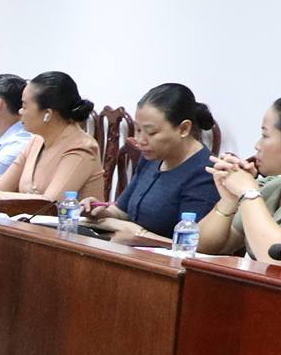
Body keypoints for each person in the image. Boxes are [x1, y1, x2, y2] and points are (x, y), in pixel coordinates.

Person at [88, 84, 220, 244]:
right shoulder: (152, 157)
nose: (140, 140)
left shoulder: (205, 172)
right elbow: (121, 211)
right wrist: (98, 213)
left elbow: (191, 245)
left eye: (151, 132)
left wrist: (140, 235)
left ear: (184, 129)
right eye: (138, 130)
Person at [197, 89, 281, 264]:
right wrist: (229, 200)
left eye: (265, 135)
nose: (257, 145)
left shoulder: (254, 193)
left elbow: (279, 260)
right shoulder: (272, 187)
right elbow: (203, 247)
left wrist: (248, 192)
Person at [0, 71, 104, 199]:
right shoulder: (36, 141)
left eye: (24, 106)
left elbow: (49, 203)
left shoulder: (82, 148)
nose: (20, 111)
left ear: (47, 114)